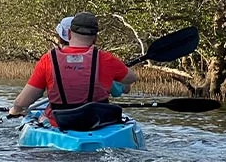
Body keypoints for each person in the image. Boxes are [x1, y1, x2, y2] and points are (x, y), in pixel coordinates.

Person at [9, 12, 138, 126]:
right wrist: (114, 79)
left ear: (69, 34)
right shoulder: (106, 59)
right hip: (98, 124)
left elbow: (22, 101)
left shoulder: (48, 60)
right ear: (95, 38)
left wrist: (16, 109)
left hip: (59, 123)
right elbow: (132, 78)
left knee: (42, 118)